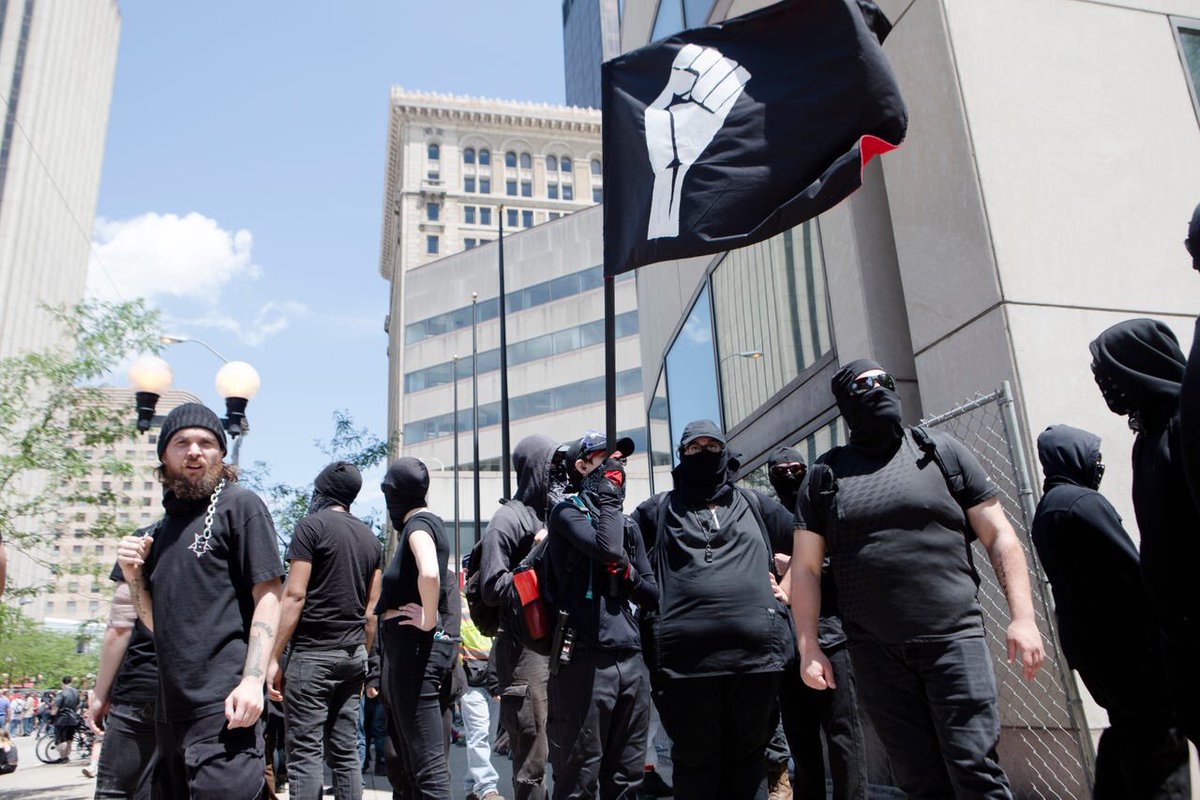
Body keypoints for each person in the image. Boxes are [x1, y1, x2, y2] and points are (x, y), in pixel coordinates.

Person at [792, 359, 1044, 798]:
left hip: (954, 640)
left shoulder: (940, 452)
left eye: (884, 381)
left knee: (974, 769)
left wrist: (1023, 617)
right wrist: (808, 646)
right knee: (919, 779)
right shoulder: (824, 477)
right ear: (845, 403)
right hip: (876, 653)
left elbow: (999, 535)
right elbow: (806, 569)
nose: (877, 389)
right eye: (863, 384)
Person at [117, 402, 284, 799]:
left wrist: (252, 680)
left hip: (225, 706)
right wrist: (132, 574)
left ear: (221, 454)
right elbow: (154, 623)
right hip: (170, 713)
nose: (194, 451)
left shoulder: (240, 505)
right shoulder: (160, 532)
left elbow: (269, 593)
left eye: (206, 443)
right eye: (182, 442)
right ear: (164, 455)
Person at [629, 419, 796, 800]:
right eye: (694, 448)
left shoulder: (755, 503)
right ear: (681, 455)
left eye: (712, 447)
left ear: (725, 452)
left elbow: (807, 538)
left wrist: (786, 589)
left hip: (756, 661)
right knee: (696, 765)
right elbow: (617, 554)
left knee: (749, 764)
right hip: (683, 666)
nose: (703, 454)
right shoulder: (658, 510)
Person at [1030, 425, 1190, 798]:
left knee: (1126, 734)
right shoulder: (1083, 503)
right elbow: (1132, 570)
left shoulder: (1049, 508)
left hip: (1098, 652)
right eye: (1093, 456)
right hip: (1131, 648)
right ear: (1072, 456)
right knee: (1160, 746)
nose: (1098, 464)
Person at [1092, 320, 1200, 746]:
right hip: (1179, 630)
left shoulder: (1185, 427)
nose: (1105, 386)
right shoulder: (1149, 438)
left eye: (1108, 372)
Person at [543, 432, 656, 800]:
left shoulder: (629, 525)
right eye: (604, 458)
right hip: (583, 658)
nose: (616, 465)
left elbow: (652, 594)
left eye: (620, 458)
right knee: (579, 776)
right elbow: (606, 548)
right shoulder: (566, 512)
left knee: (626, 778)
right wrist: (608, 498)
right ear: (582, 466)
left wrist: (628, 574)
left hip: (630, 659)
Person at [267, 460, 383, 800]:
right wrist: (363, 657)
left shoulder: (310, 527)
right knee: (346, 751)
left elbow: (294, 595)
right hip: (353, 656)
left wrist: (273, 657)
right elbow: (371, 613)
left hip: (312, 656)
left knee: (305, 752)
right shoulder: (370, 539)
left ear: (321, 493)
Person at [766, 447, 868, 800]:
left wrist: (797, 566)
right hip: (789, 644)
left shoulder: (823, 508)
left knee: (843, 735)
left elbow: (843, 563)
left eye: (796, 469)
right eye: (781, 471)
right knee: (801, 741)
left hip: (831, 637)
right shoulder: (769, 518)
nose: (789, 475)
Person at [479, 435, 558, 800]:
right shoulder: (507, 518)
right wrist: (537, 552)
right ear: (535, 468)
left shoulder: (557, 513)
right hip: (525, 651)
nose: (558, 473)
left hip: (561, 647)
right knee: (532, 759)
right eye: (552, 465)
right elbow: (492, 587)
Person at [374, 457, 458, 799]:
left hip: (414, 654)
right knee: (416, 766)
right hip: (413, 652)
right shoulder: (424, 523)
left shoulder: (418, 525)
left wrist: (427, 616)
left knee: (428, 769)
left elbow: (430, 573)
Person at [89, 552, 162, 798]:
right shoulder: (230, 534)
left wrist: (100, 694)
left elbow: (120, 624)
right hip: (203, 687)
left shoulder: (142, 541)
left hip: (140, 684)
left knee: (120, 792)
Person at [458, 577, 503, 800]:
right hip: (471, 678)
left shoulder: (497, 598)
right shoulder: (459, 601)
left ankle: (471, 786)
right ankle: (487, 787)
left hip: (495, 676)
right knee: (479, 733)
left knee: (488, 735)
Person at [51, 676, 82, 763]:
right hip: (73, 718)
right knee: (69, 739)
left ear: (62, 682)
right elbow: (78, 705)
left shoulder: (61, 693)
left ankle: (62, 757)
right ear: (71, 682)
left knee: (61, 739)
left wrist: (52, 715)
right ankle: (67, 756)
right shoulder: (76, 693)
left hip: (62, 718)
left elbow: (55, 706)